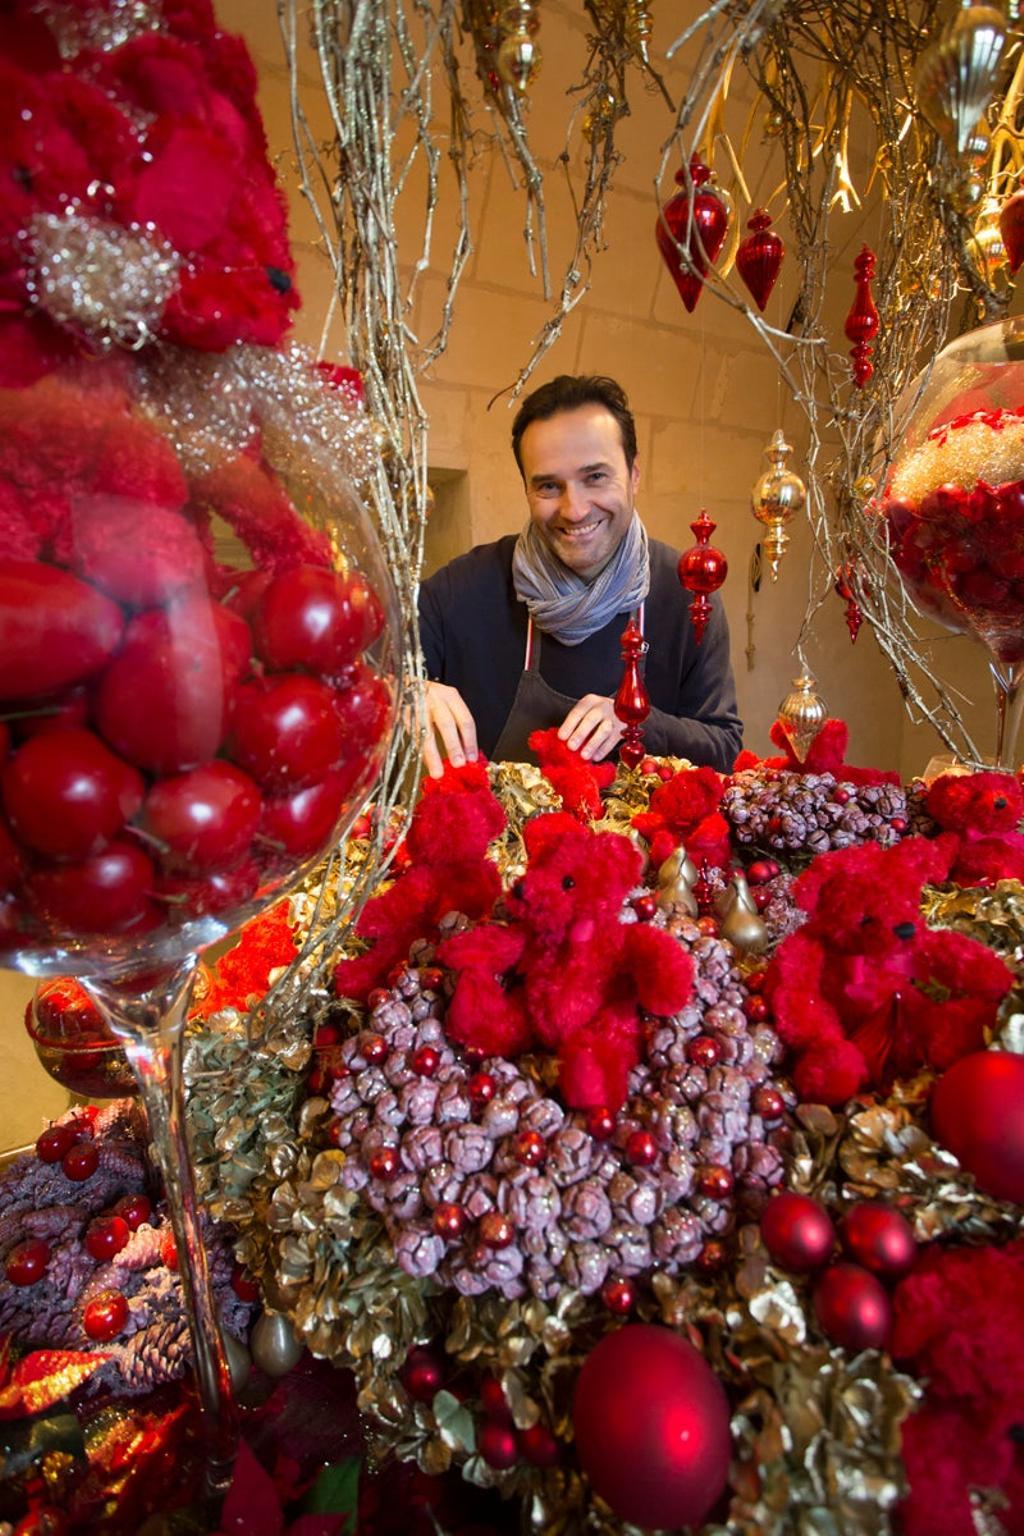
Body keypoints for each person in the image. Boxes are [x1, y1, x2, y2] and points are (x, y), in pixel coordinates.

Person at [418, 374, 742, 776]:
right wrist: (407, 693)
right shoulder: (462, 589)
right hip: (500, 839)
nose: (575, 510)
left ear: (634, 475)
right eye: (549, 486)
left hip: (645, 838)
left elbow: (724, 745)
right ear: (526, 490)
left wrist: (640, 724)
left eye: (595, 477)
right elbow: (362, 678)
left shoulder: (686, 592)